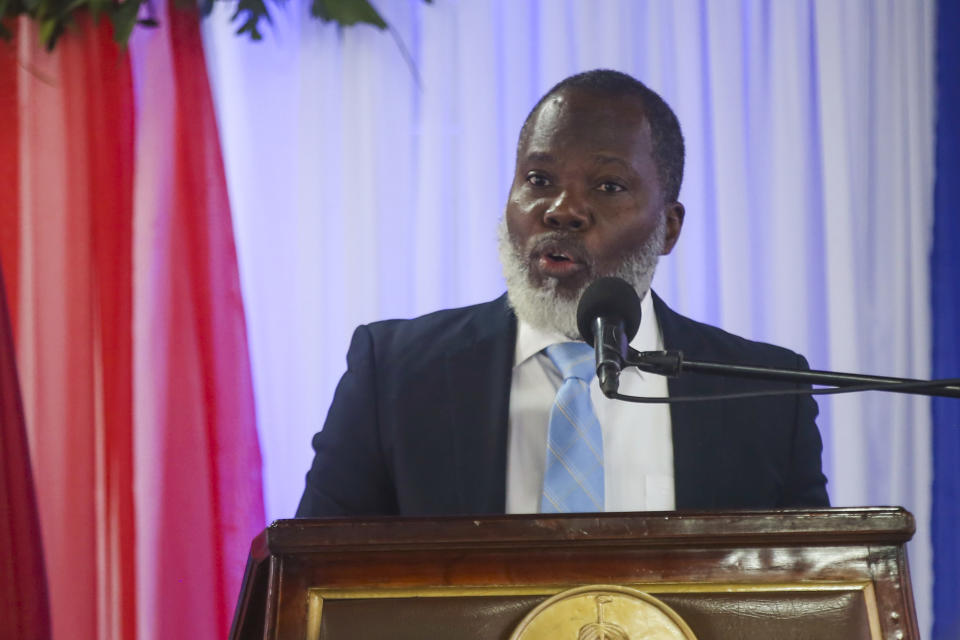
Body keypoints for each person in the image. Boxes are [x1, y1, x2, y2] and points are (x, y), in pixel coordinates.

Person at [296, 69, 829, 518]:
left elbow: (815, 599)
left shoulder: (768, 396)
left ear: (668, 228)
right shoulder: (394, 373)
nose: (561, 209)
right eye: (538, 178)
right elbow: (310, 581)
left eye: (608, 186)